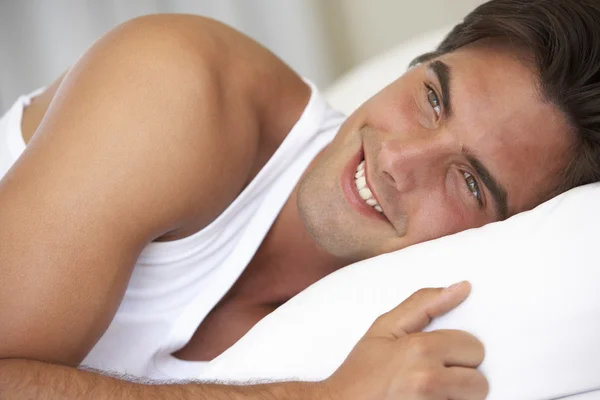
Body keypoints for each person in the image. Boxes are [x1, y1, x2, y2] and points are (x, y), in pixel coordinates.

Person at [0, 0, 599, 398]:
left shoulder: (394, 326)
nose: (397, 160)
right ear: (417, 65)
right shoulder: (180, 89)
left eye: (469, 181)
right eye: (431, 99)